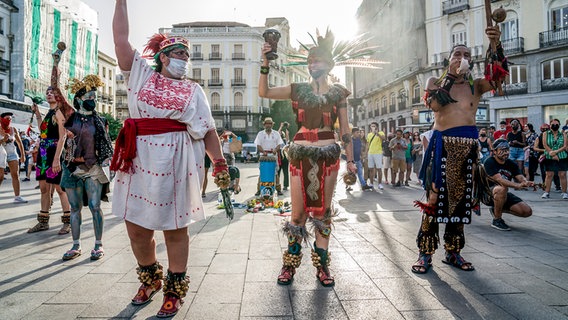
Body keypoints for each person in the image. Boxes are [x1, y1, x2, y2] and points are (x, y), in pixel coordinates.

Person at [112, 1, 228, 317]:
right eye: (179, 55)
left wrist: (219, 165)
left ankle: (175, 290)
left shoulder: (194, 91)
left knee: (175, 228)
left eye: (187, 57)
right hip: (138, 161)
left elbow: (207, 130)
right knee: (136, 228)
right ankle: (150, 279)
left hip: (176, 163)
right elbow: (121, 41)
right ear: (163, 57)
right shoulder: (139, 76)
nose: (184, 61)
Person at [259, 28, 362, 287]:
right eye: (309, 60)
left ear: (329, 64)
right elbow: (265, 92)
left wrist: (351, 160)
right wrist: (264, 63)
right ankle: (289, 266)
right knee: (297, 215)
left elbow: (346, 129)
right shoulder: (297, 89)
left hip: (328, 155)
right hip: (300, 153)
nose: (312, 64)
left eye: (317, 60)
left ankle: (322, 267)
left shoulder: (338, 92)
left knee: (323, 213)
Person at [411, 27, 507, 274]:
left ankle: (453, 252)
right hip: (442, 147)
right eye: (457, 53)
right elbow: (434, 105)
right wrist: (452, 77)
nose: (461, 56)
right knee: (433, 200)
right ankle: (425, 253)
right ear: (449, 59)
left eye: (465, 54)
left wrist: (495, 45)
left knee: (461, 203)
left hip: (468, 149)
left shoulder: (476, 86)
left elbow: (499, 78)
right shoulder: (435, 82)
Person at [59, 74, 114, 261]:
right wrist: (56, 63)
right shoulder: (70, 116)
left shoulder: (101, 120)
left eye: (94, 98)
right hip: (72, 168)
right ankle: (76, 245)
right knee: (74, 208)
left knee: (95, 206)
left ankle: (98, 245)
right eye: (89, 98)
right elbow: (58, 94)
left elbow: (105, 146)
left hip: (93, 167)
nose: (93, 101)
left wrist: (109, 163)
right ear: (79, 99)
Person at [27, 50, 72, 234]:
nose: (49, 94)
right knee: (44, 188)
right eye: (47, 92)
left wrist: (56, 160)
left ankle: (67, 221)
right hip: (44, 153)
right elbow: (42, 131)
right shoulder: (48, 113)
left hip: (54, 152)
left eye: (52, 92)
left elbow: (62, 136)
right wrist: (38, 114)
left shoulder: (60, 112)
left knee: (60, 189)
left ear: (58, 96)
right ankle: (43, 221)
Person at [484, 139, 534, 231]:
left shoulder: (511, 163)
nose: (505, 152)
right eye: (502, 150)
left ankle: (496, 208)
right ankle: (497, 220)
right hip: (488, 193)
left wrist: (525, 182)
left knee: (526, 211)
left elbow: (520, 176)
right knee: (502, 188)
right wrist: (517, 186)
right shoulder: (489, 162)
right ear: (495, 151)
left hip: (503, 194)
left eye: (507, 150)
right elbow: (499, 180)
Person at [0, 112, 27, 203]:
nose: (9, 120)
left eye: (10, 119)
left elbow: (20, 143)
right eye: (7, 118)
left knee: (15, 174)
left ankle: (17, 196)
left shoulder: (13, 129)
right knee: (0, 176)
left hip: (12, 153)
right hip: (1, 154)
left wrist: (23, 155)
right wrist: (3, 140)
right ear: (2, 119)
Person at [254, 117, 283, 196]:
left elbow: (279, 144)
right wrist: (263, 151)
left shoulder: (276, 133)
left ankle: (278, 189)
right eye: (267, 124)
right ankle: (259, 190)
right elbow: (258, 145)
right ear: (264, 125)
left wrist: (275, 150)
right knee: (262, 172)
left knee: (276, 173)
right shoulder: (260, 134)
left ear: (272, 125)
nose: (268, 125)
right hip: (263, 156)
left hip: (273, 156)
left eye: (270, 124)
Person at [541, 118, 567, 199]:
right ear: (550, 125)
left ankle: (564, 192)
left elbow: (565, 146)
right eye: (553, 124)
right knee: (549, 174)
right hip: (549, 156)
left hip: (562, 156)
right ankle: (546, 192)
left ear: (559, 125)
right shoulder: (545, 133)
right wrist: (552, 153)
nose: (555, 125)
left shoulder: (563, 134)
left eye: (556, 124)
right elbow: (545, 145)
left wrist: (555, 152)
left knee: (562, 174)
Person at [351, 127, 373, 191]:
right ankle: (348, 185)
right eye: (357, 132)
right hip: (352, 161)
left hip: (358, 159)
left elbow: (359, 149)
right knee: (350, 174)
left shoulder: (358, 140)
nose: (359, 134)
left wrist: (361, 155)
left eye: (359, 132)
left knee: (360, 173)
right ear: (353, 133)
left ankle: (363, 185)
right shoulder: (350, 140)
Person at [366, 122, 385, 189]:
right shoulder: (369, 134)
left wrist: (377, 133)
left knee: (379, 169)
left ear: (377, 127)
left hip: (378, 153)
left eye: (374, 126)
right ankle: (371, 183)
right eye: (371, 126)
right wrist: (366, 153)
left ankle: (380, 184)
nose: (372, 127)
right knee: (371, 169)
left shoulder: (381, 133)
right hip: (370, 153)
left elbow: (383, 138)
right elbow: (367, 144)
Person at [277, 121, 290, 191]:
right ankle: (277, 184)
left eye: (282, 134)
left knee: (285, 172)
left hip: (285, 158)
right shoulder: (278, 141)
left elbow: (287, 134)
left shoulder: (286, 141)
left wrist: (287, 127)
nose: (281, 135)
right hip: (279, 158)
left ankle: (285, 185)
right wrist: (281, 126)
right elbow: (278, 133)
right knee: (278, 172)